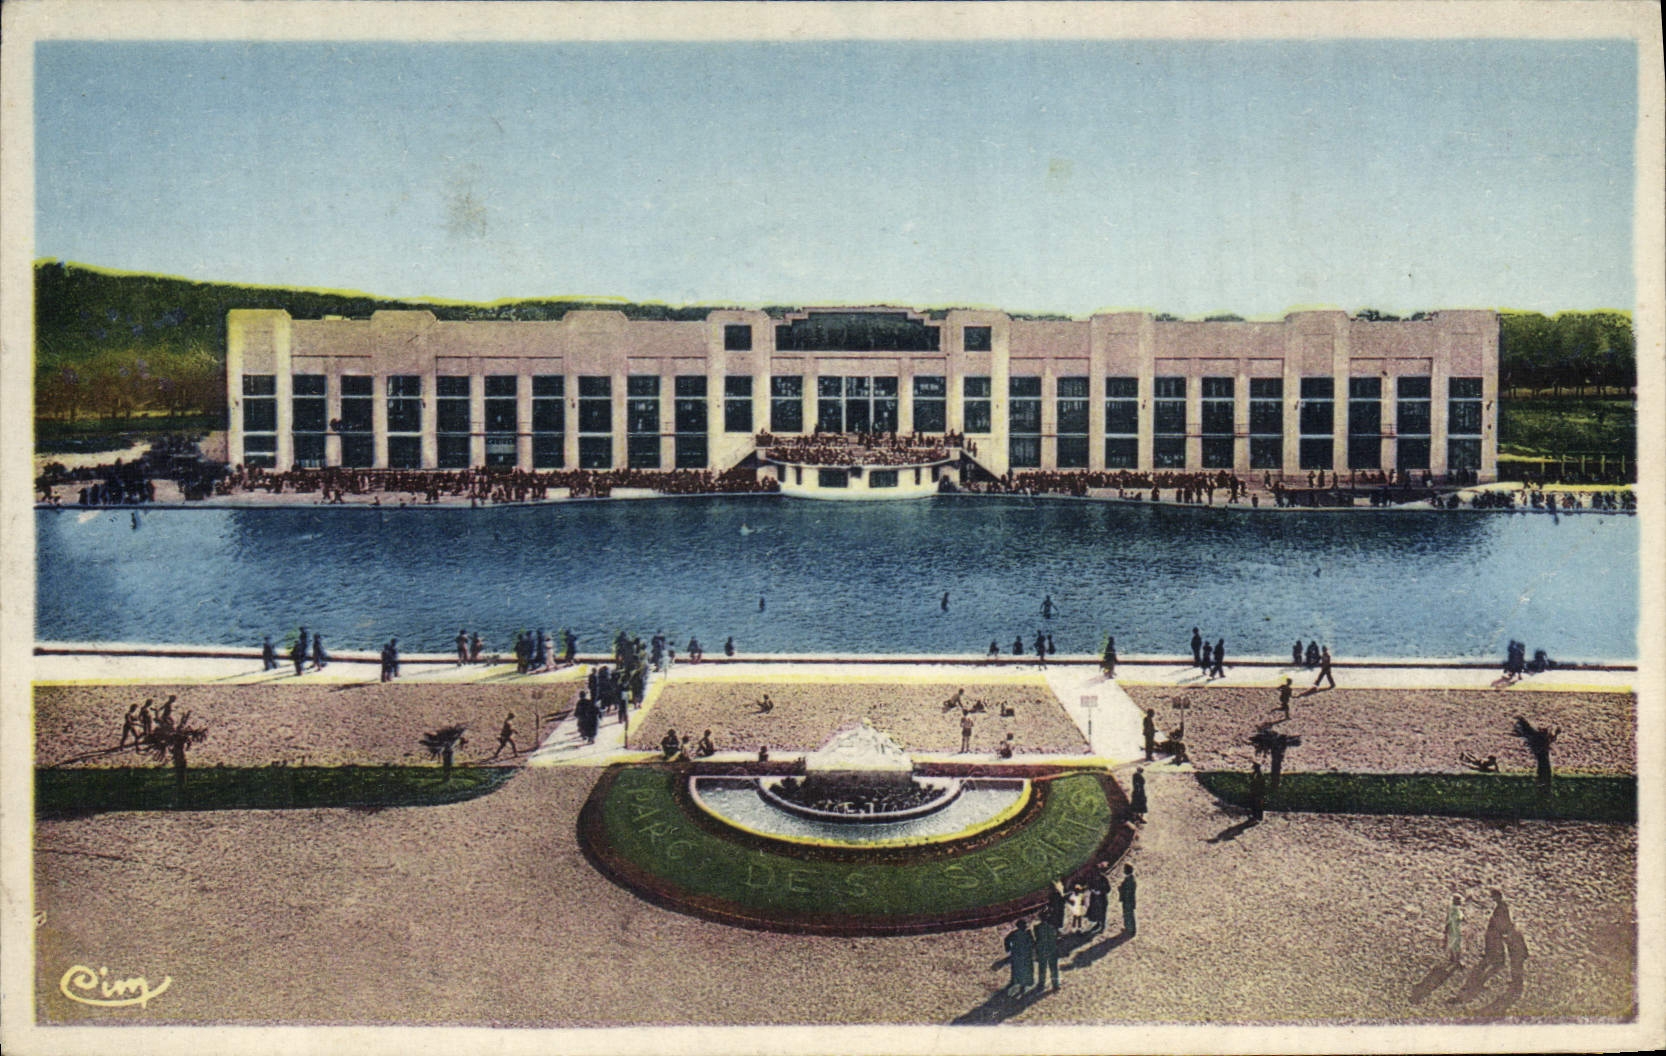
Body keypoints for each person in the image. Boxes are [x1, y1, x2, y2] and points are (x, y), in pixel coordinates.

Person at [1003, 918, 1035, 997]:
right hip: (1025, 954)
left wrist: (1008, 948)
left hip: (1017, 953)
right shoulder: (1028, 933)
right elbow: (1032, 943)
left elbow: (1006, 940)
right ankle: (1023, 984)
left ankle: (1014, 981)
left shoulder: (1014, 933)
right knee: (1025, 968)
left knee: (1016, 968)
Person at [1032, 914, 1061, 992]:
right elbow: (1057, 937)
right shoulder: (1053, 927)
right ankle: (1055, 984)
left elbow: (1037, 938)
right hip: (1052, 949)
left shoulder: (1037, 928)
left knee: (1042, 968)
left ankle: (1041, 984)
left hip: (1042, 949)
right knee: (1054, 968)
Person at [1086, 862, 1112, 934]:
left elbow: (1108, 889)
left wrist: (1100, 892)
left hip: (1102, 898)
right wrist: (1092, 890)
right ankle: (1098, 923)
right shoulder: (1092, 878)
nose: (1095, 874)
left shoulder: (1103, 878)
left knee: (1102, 912)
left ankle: (1102, 926)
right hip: (1094, 899)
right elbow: (1089, 885)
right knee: (1096, 912)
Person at [1118, 864, 1138, 937]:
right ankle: (1127, 927)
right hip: (1126, 900)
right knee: (1126, 914)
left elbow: (1129, 891)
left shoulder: (1130, 880)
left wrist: (1120, 889)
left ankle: (1132, 930)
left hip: (1128, 900)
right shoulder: (1129, 879)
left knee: (1130, 915)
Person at [1445, 895, 1464, 966]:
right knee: (1456, 944)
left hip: (1453, 928)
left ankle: (1452, 957)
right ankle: (1457, 960)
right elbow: (1456, 918)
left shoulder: (1452, 908)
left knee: (1452, 942)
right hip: (1454, 928)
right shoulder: (1454, 909)